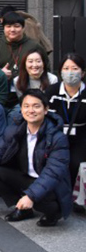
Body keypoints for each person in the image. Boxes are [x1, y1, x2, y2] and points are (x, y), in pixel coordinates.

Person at [0, 90, 72, 227]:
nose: (31, 110)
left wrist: (31, 196)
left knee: (41, 198)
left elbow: (53, 173)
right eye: (26, 106)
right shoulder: (15, 129)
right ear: (21, 110)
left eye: (36, 106)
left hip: (51, 186)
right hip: (27, 177)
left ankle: (53, 214)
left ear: (46, 110)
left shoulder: (57, 137)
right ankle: (22, 209)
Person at [45, 53, 86, 186]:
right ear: (60, 72)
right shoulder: (52, 92)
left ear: (83, 73)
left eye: (75, 68)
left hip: (81, 139)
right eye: (66, 68)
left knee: (75, 164)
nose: (70, 72)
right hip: (56, 137)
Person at [0, 12, 47, 81]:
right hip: (2, 87)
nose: (12, 30)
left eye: (16, 26)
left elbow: (46, 68)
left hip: (27, 87)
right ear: (3, 28)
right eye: (8, 26)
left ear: (23, 28)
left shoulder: (34, 46)